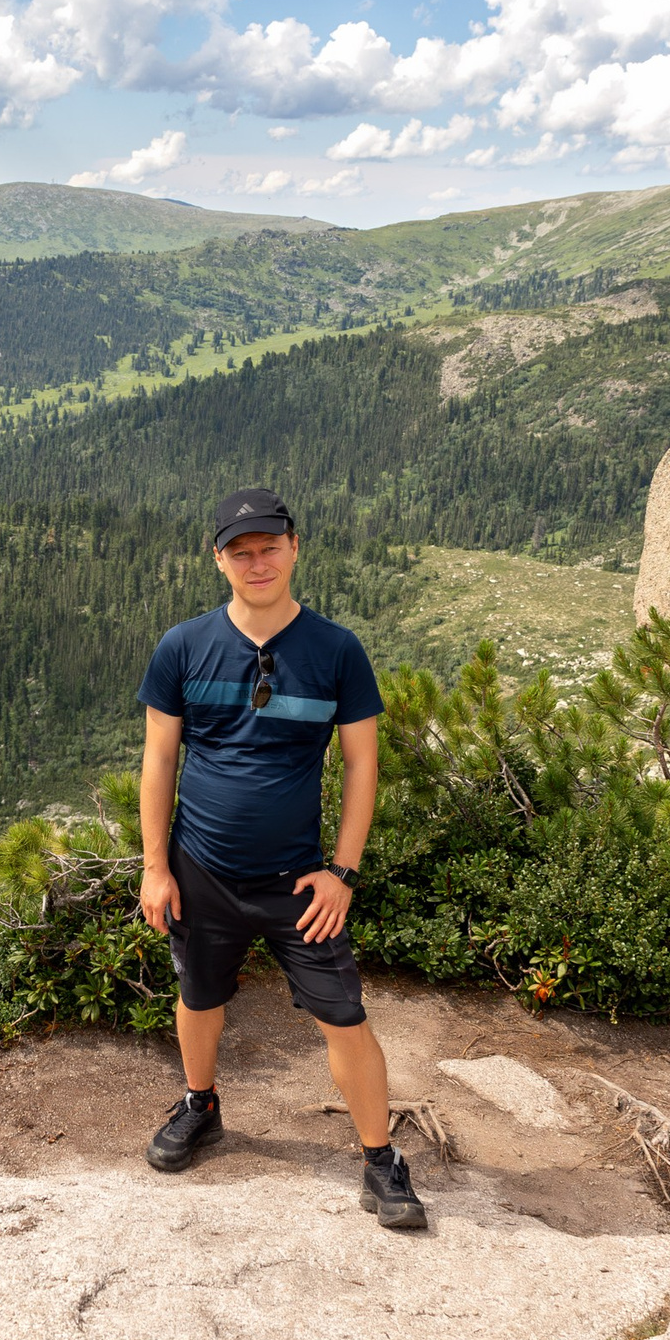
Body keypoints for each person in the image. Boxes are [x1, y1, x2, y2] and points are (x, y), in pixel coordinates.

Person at [133, 487, 424, 1229]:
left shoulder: (335, 651)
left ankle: (379, 1157)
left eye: (269, 546)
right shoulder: (183, 646)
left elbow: (363, 765)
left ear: (295, 548)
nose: (256, 561)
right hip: (200, 868)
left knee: (345, 1016)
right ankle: (201, 1106)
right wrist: (155, 866)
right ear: (219, 559)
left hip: (300, 881)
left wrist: (344, 873)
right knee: (199, 996)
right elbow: (159, 759)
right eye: (241, 549)